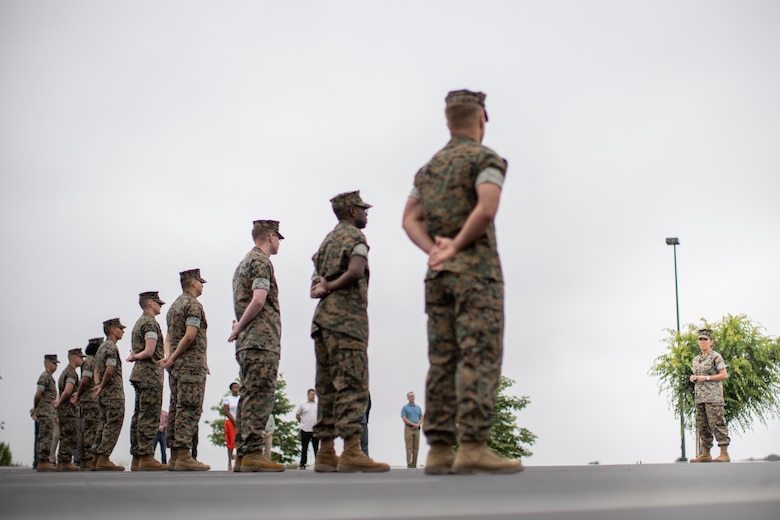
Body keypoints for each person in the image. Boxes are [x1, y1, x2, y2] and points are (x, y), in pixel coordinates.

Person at [402, 89, 522, 475]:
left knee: (442, 359)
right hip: (476, 275)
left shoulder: (429, 169)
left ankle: (438, 449)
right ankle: (471, 445)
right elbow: (487, 208)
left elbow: (409, 219)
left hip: (437, 278)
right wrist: (455, 246)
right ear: (481, 119)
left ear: (448, 122)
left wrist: (434, 251)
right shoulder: (485, 159)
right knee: (478, 355)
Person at [310, 191, 389, 473]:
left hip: (322, 322)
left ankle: (326, 452)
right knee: (353, 383)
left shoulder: (326, 243)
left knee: (327, 386)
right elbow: (356, 271)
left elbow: (314, 281)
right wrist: (332, 286)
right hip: (347, 321)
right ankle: (352, 450)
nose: (366, 213)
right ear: (351, 211)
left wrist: (323, 287)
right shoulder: (355, 239)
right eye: (362, 209)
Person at [228, 220, 286, 473]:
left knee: (249, 394)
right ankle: (253, 452)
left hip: (249, 343)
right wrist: (240, 326)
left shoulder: (243, 263)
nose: (279, 243)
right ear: (271, 237)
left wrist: (240, 328)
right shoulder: (261, 262)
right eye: (278, 238)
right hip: (261, 340)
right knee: (260, 394)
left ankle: (244, 454)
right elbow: (259, 299)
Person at [159, 268, 210, 471]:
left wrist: (168, 357)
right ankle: (184, 455)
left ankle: (175, 457)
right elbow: (189, 336)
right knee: (189, 408)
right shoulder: (193, 305)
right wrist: (173, 356)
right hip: (190, 366)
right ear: (194, 283)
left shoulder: (173, 307)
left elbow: (169, 337)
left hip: (176, 368)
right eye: (201, 283)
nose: (202, 286)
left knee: (177, 407)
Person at [127, 291, 168, 471]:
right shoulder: (150, 323)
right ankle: (145, 456)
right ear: (150, 303)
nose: (160, 305)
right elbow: (150, 350)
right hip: (150, 374)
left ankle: (137, 457)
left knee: (139, 415)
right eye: (158, 303)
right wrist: (136, 356)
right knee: (149, 415)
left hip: (140, 375)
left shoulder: (139, 322)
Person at [689, 328, 731, 463]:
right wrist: (693, 378)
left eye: (705, 339)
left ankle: (724, 453)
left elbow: (724, 375)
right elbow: (698, 376)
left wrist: (706, 378)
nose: (702, 342)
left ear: (711, 342)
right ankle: (705, 453)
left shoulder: (716, 357)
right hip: (700, 397)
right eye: (700, 339)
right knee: (702, 426)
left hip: (713, 397)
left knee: (717, 423)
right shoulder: (697, 359)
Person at [92, 318, 127, 471]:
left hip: (104, 393)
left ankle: (96, 457)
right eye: (120, 328)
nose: (122, 331)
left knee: (103, 423)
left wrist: (98, 385)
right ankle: (104, 457)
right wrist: (102, 386)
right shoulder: (111, 348)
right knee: (113, 423)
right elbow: (110, 370)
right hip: (113, 392)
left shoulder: (101, 348)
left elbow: (96, 370)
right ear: (112, 329)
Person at [52, 348, 86, 471]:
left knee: (65, 435)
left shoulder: (64, 372)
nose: (82, 360)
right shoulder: (71, 373)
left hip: (64, 410)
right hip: (69, 410)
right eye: (80, 357)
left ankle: (62, 461)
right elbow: (67, 391)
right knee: (71, 435)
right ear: (73, 358)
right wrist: (60, 402)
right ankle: (66, 461)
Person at [72, 337, 102, 470]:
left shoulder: (88, 361)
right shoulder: (90, 361)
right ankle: (88, 459)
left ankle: (85, 460)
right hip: (90, 401)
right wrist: (78, 394)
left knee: (86, 430)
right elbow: (85, 380)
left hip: (87, 401)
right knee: (91, 430)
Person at [31, 354, 59, 472]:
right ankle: (42, 462)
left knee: (48, 437)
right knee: (45, 437)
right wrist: (36, 408)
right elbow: (38, 394)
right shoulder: (44, 377)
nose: (56, 366)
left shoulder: (49, 377)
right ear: (47, 363)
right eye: (54, 363)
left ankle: (44, 461)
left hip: (49, 412)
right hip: (45, 412)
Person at [295, 389, 319, 469]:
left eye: (314, 394)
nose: (313, 396)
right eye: (312, 394)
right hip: (305, 429)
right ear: (308, 395)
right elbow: (298, 415)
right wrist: (301, 422)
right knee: (304, 447)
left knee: (316, 447)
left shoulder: (317, 405)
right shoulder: (303, 404)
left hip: (315, 429)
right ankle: (303, 464)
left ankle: (318, 463)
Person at [401, 391, 423, 468]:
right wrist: (413, 424)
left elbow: (421, 417)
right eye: (410, 396)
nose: (412, 398)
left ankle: (414, 463)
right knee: (409, 447)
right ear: (408, 398)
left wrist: (418, 424)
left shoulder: (418, 408)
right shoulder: (405, 408)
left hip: (417, 429)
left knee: (416, 447)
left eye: (413, 396)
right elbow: (404, 418)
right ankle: (409, 463)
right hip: (408, 428)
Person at [223, 382, 240, 471]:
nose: (236, 389)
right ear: (231, 389)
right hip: (230, 421)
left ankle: (238, 460)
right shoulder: (227, 399)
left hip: (239, 421)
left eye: (237, 387)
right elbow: (226, 411)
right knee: (231, 441)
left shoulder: (241, 398)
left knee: (239, 441)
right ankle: (229, 461)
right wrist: (234, 421)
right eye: (234, 387)